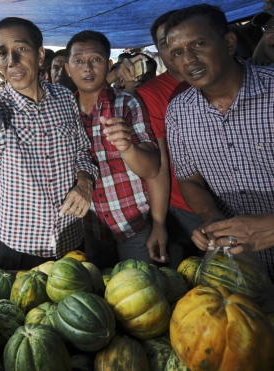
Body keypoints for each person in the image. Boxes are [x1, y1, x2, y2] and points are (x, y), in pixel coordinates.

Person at [0, 17, 97, 270]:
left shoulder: (64, 98)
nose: (12, 62)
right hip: (18, 245)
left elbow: (83, 150)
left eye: (20, 49)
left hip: (71, 236)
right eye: (2, 54)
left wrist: (84, 182)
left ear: (40, 55)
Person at [164, 4, 274, 280]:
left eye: (198, 44)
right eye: (177, 53)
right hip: (239, 265)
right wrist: (211, 218)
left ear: (228, 43)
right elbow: (189, 179)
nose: (188, 59)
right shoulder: (178, 112)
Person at [64, 30, 161, 267]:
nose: (87, 68)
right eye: (78, 61)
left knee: (139, 292)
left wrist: (127, 147)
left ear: (108, 65)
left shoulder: (127, 102)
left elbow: (152, 168)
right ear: (68, 68)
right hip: (88, 227)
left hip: (132, 222)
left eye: (95, 60)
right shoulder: (63, 112)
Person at [136, 10, 203, 267]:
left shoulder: (215, 83)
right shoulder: (151, 94)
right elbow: (160, 163)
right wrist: (160, 221)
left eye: (191, 42)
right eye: (167, 44)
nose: (178, 50)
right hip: (178, 206)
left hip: (231, 202)